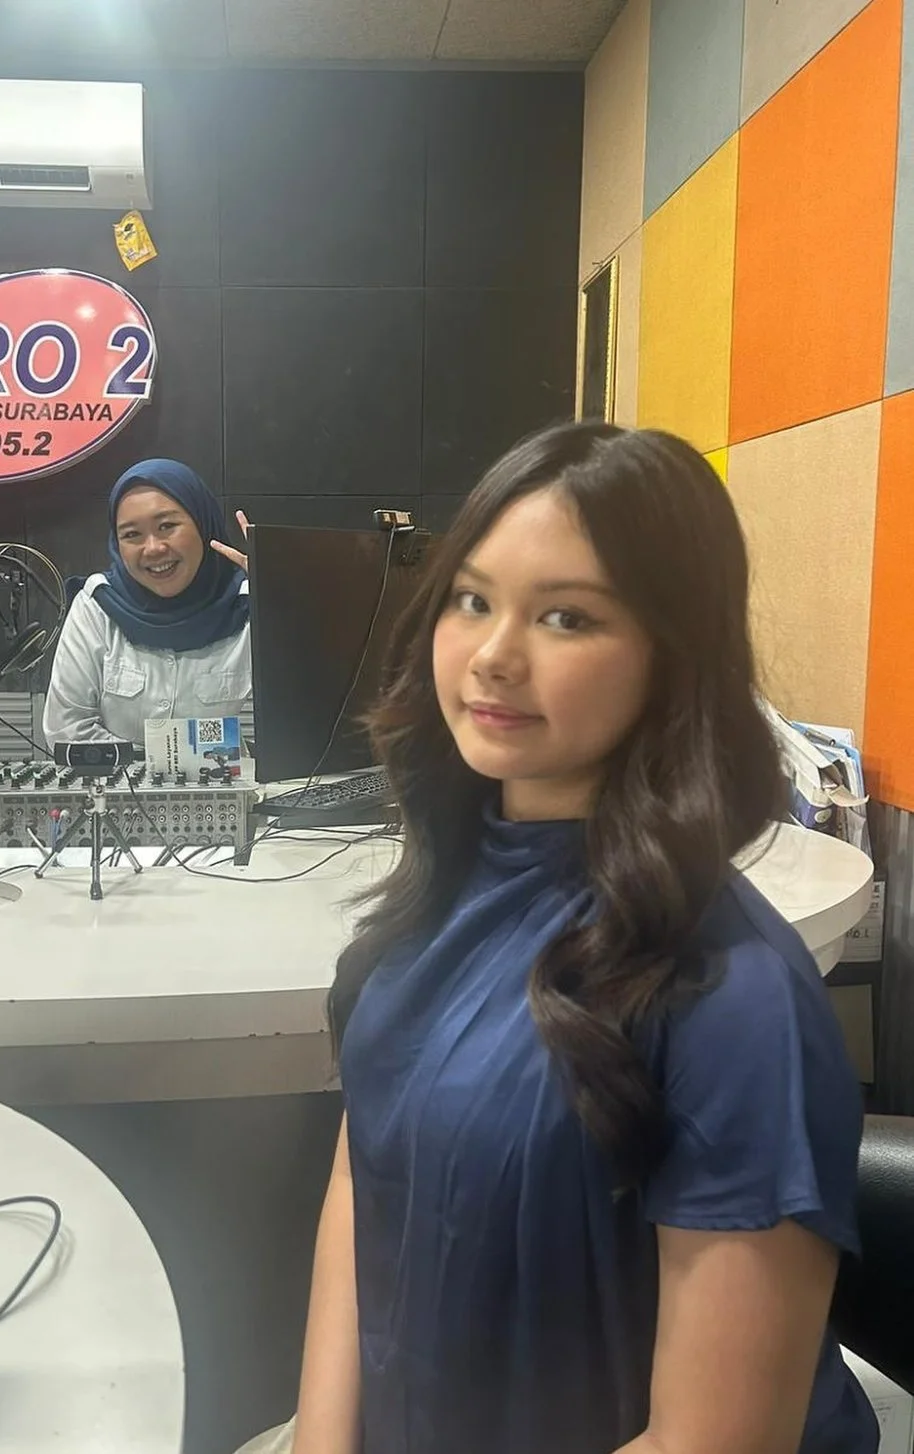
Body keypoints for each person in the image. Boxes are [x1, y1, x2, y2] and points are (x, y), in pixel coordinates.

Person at [284, 422, 877, 1454]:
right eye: (473, 600)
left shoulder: (736, 1001)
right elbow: (364, 1168)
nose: (493, 656)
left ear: (671, 658)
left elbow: (710, 1441)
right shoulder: (436, 896)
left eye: (566, 617)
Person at [42, 459, 253, 747]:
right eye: (131, 535)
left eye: (167, 526)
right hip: (118, 779)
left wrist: (283, 602)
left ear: (203, 526)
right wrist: (159, 766)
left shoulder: (251, 606)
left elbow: (301, 720)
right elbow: (65, 731)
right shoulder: (97, 606)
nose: (153, 548)